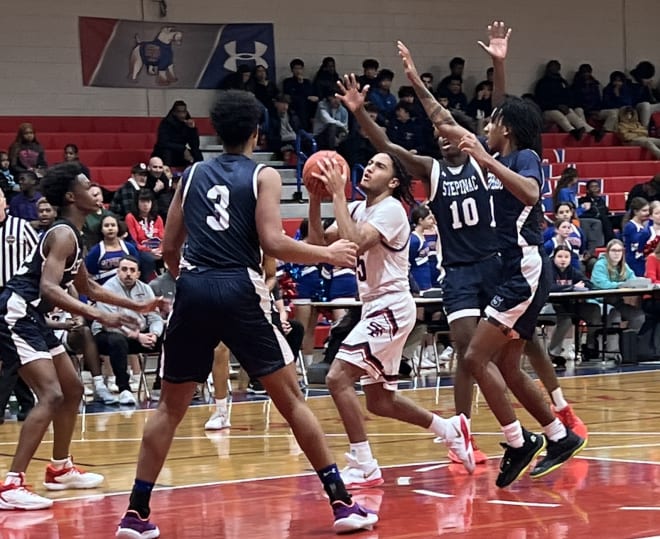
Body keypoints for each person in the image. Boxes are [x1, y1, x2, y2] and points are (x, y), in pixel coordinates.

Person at [115, 89, 376, 538]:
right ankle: (341, 503)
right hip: (239, 286)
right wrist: (327, 253)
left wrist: (190, 281)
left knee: (169, 408)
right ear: (258, 132)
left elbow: (170, 247)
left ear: (215, 130)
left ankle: (136, 514)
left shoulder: (192, 173)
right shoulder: (264, 175)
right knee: (291, 400)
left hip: (194, 287)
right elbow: (272, 243)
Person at [399, 20, 586, 489]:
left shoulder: (520, 160)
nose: (484, 128)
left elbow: (527, 191)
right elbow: (464, 116)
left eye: (490, 126)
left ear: (506, 132)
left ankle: (519, 441)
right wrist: (490, 65)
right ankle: (559, 435)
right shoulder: (495, 154)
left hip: (522, 267)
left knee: (472, 359)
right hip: (511, 268)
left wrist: (484, 158)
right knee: (503, 364)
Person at [307, 150, 476, 490]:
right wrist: (315, 198)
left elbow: (354, 242)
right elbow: (315, 243)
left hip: (391, 305)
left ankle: (364, 464)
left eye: (379, 166)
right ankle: (450, 429)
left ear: (394, 181)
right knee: (380, 400)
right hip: (373, 307)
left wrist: (338, 193)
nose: (369, 167)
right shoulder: (356, 209)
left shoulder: (391, 211)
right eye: (368, 162)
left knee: (338, 377)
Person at [0, 162, 161, 510]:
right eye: (88, 186)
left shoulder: (75, 233)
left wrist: (141, 306)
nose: (96, 190)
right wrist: (98, 315)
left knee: (72, 389)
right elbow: (49, 287)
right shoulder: (62, 234)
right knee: (51, 394)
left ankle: (59, 468)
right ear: (72, 196)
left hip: (34, 316)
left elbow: (88, 287)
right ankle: (11, 484)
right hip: (17, 313)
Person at [92, 256, 164, 406]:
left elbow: (155, 317)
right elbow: (110, 323)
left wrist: (154, 334)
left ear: (138, 274)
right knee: (117, 340)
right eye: (124, 269)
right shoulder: (107, 289)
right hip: (107, 334)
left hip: (140, 334)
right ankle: (124, 389)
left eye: (132, 270)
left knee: (171, 335)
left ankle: (160, 385)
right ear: (118, 271)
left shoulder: (146, 289)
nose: (128, 273)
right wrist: (139, 337)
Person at [0, 189, 38, 425]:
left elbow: (37, 257)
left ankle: (21, 403)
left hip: (16, 293)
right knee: (12, 353)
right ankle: (26, 403)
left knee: (13, 352)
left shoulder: (21, 226)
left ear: (5, 202)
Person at [152, 100, 203, 167]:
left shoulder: (187, 124)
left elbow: (195, 145)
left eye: (184, 112)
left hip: (180, 153)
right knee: (167, 152)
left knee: (197, 152)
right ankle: (167, 173)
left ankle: (199, 172)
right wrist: (183, 149)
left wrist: (192, 129)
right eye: (179, 112)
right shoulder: (166, 123)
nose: (182, 115)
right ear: (174, 113)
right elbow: (163, 143)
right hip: (165, 152)